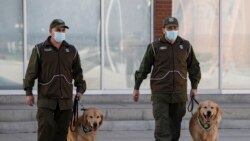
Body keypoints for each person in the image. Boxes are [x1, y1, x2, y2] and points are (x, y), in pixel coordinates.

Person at [133, 16, 201, 141]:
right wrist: (136, 88)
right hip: (160, 95)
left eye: (175, 27)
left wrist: (194, 87)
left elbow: (194, 67)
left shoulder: (186, 46)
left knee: (175, 133)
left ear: (178, 28)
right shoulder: (154, 47)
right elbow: (144, 68)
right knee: (162, 132)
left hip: (179, 95)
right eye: (169, 28)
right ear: (163, 30)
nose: (172, 30)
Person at [23, 19, 86, 141]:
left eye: (63, 30)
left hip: (65, 101)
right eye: (58, 30)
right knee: (46, 130)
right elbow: (31, 73)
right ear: (50, 31)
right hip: (46, 99)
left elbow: (78, 72)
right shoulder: (39, 49)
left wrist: (80, 89)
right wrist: (28, 93)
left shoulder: (71, 50)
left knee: (61, 134)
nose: (61, 32)